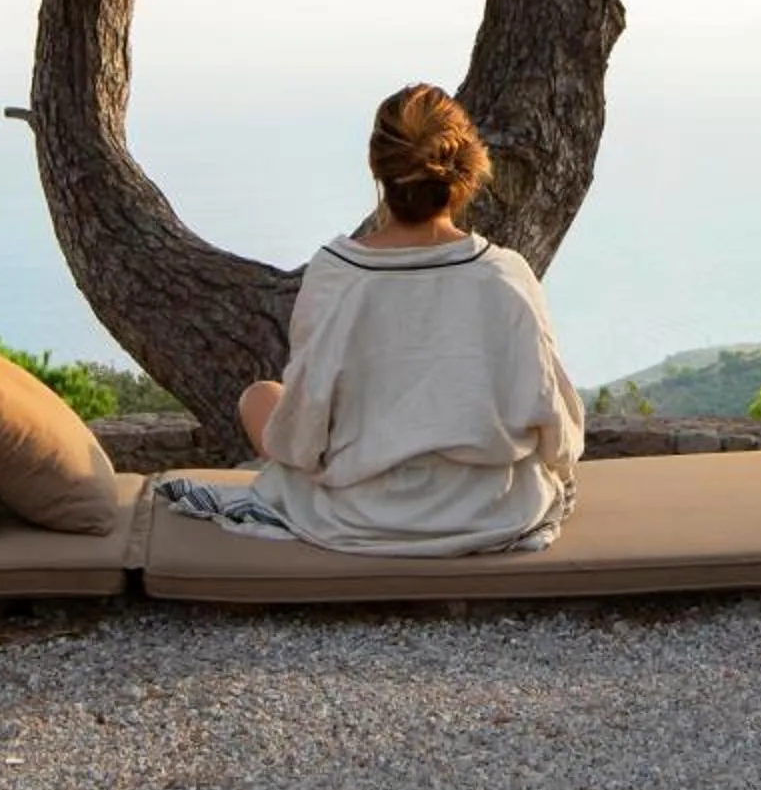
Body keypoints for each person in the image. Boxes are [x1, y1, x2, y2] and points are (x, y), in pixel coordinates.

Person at [159, 83, 584, 555]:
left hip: (360, 515)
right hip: (493, 509)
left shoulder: (338, 275)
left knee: (259, 398)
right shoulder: (504, 275)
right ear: (465, 168)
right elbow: (557, 430)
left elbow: (301, 437)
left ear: (377, 169)